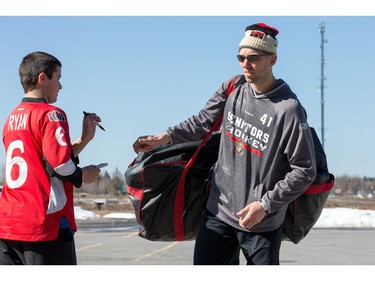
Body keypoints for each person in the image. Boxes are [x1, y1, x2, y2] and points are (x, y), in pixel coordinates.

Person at [132, 23, 317, 265]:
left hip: (261, 222)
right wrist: (163, 138)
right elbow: (201, 122)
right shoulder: (233, 88)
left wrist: (265, 205)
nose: (245, 64)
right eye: (241, 57)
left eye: (254, 58)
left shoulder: (288, 109)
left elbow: (305, 170)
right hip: (217, 213)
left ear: (272, 59)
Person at [0, 51, 102, 265]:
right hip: (44, 223)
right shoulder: (51, 114)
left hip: (9, 223)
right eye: (59, 78)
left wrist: (84, 139)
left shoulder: (11, 118)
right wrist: (85, 175)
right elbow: (60, 165)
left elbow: (43, 161)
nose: (61, 86)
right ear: (42, 78)